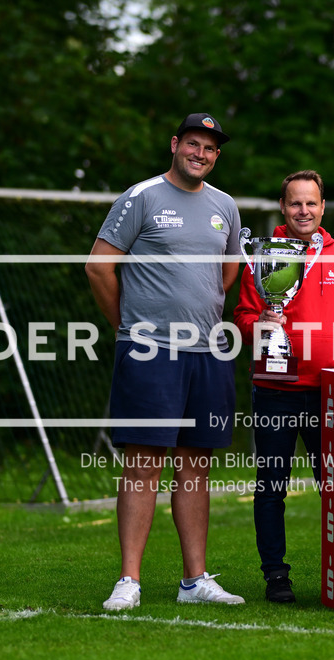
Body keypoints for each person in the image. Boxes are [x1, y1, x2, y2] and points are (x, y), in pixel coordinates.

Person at [86, 113, 245, 609]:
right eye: (193, 144)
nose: (201, 154)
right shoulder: (142, 196)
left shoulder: (225, 206)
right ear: (175, 144)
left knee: (195, 466)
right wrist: (128, 326)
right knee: (143, 466)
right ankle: (129, 581)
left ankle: (194, 581)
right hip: (150, 351)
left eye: (210, 148)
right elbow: (98, 265)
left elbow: (230, 267)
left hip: (207, 354)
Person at [233, 170, 334, 603]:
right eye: (295, 203)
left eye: (311, 203)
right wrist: (258, 322)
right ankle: (276, 576)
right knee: (271, 486)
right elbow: (241, 318)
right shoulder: (261, 255)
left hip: (328, 393)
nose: (303, 211)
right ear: (283, 207)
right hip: (274, 388)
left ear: (322, 207)